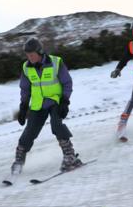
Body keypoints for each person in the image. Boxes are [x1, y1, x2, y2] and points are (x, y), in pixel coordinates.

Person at [11, 37, 83, 175]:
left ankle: (70, 156)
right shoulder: (26, 68)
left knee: (57, 125)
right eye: (27, 55)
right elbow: (25, 89)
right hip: (38, 105)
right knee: (29, 131)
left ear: (40, 52)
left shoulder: (56, 62)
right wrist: (23, 107)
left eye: (32, 54)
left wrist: (65, 101)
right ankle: (19, 161)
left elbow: (67, 83)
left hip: (55, 101)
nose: (29, 58)